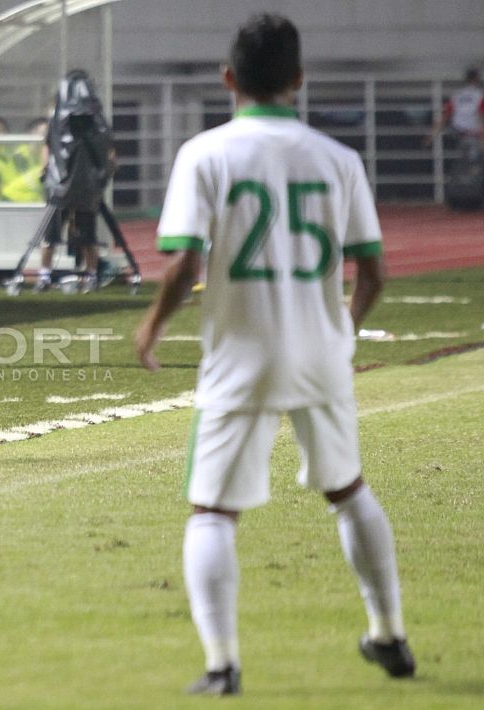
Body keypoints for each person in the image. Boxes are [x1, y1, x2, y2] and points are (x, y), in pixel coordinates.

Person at [133, 14, 413, 696]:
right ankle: (389, 636)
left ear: (229, 79)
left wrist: (152, 326)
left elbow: (183, 263)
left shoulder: (204, 154)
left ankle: (223, 664)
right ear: (298, 79)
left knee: (211, 513)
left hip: (240, 357)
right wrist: (341, 332)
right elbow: (372, 275)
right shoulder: (338, 159)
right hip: (321, 355)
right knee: (348, 492)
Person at [36, 70, 115, 293]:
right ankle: (88, 275)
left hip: (64, 187)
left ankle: (47, 275)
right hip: (83, 187)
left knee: (58, 234)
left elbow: (48, 150)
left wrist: (47, 175)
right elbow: (110, 155)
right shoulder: (97, 122)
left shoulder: (59, 120)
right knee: (82, 233)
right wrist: (101, 180)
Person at [426, 67, 483, 159]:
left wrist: (431, 136)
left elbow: (445, 116)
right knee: (473, 159)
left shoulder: (457, 95)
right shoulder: (480, 95)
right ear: (477, 79)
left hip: (457, 132)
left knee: (463, 156)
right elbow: (481, 115)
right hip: (473, 134)